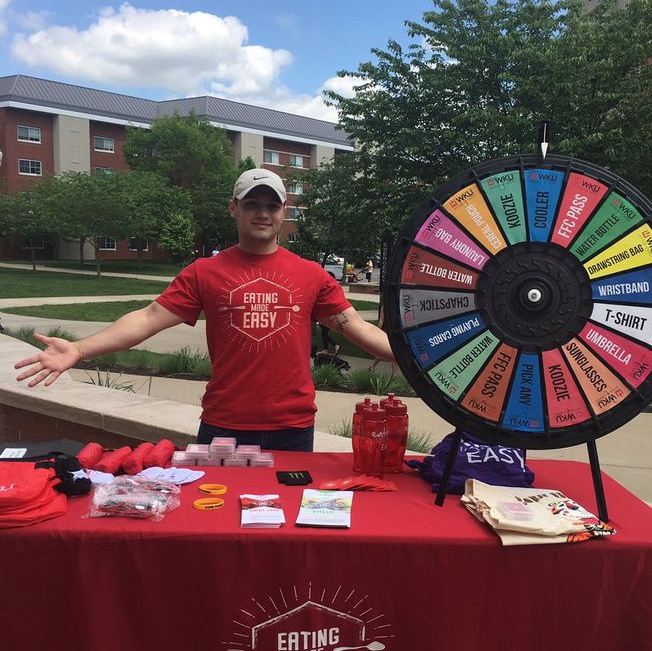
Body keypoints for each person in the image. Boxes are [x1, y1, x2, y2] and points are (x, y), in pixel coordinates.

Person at [14, 169, 395, 452]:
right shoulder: (204, 272)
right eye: (251, 204)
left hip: (292, 428)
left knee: (283, 538)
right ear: (234, 208)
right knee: (218, 525)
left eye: (271, 206)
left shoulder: (310, 274)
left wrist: (420, 355)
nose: (262, 213)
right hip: (223, 426)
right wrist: (78, 350)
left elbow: (357, 328)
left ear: (283, 213)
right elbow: (148, 319)